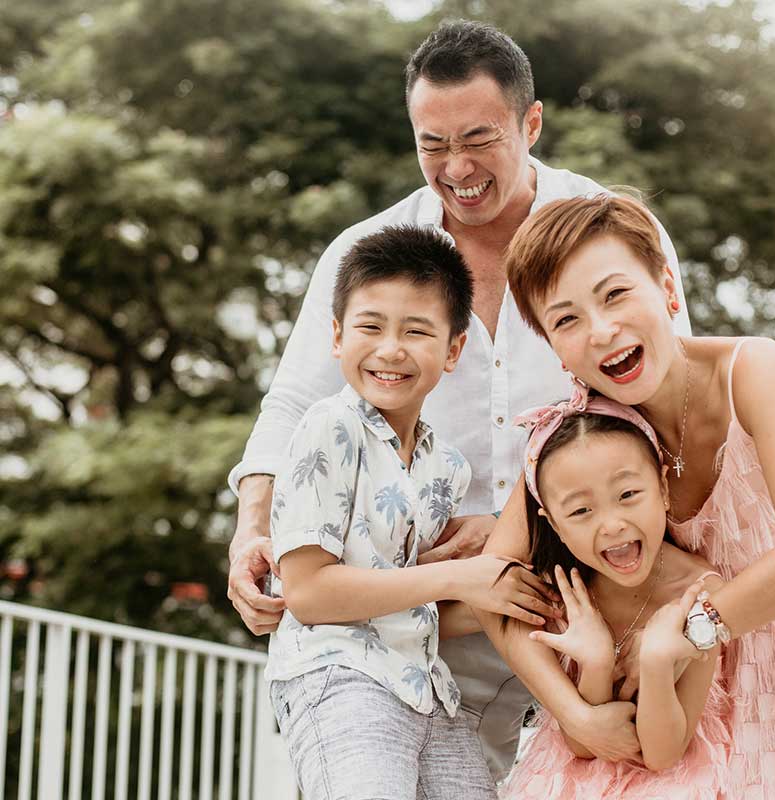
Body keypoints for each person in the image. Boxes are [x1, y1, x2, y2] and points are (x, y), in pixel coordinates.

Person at [227, 20, 692, 776]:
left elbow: (662, 394)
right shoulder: (368, 253)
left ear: (531, 123)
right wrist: (253, 528)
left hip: (592, 593)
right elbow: (289, 406)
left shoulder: (608, 230)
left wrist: (519, 521)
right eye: (432, 144)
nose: (457, 167)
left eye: (479, 139)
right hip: (431, 624)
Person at [483, 193, 775, 797]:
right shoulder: (589, 430)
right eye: (566, 320)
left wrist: (690, 632)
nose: (601, 330)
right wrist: (574, 712)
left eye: (615, 294)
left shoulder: (753, 371)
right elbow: (496, 584)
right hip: (689, 688)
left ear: (667, 286)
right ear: (553, 347)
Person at [266, 225, 554, 800]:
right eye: (370, 327)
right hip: (337, 674)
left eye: (416, 331)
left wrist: (517, 593)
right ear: (338, 337)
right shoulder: (330, 426)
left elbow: (416, 609)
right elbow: (309, 593)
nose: (390, 349)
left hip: (428, 687)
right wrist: (459, 577)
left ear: (453, 350)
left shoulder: (444, 467)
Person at [498, 392, 730, 799]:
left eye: (627, 495)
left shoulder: (699, 592)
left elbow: (664, 754)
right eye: (580, 512)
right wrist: (597, 662)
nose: (611, 525)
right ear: (552, 523)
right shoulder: (569, 590)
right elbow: (582, 745)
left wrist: (658, 661)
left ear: (660, 483)